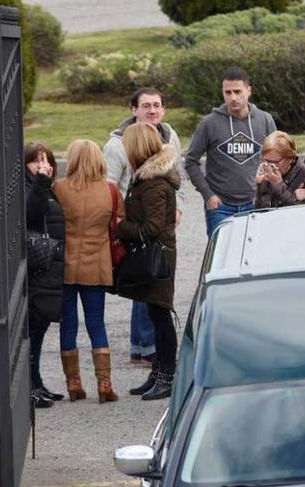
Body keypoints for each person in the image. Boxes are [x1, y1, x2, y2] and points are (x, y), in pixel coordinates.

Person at [103, 87, 184, 366]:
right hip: (136, 221)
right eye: (146, 105)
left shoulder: (155, 176)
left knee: (154, 300)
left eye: (157, 105)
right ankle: (145, 350)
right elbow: (110, 186)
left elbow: (153, 224)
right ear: (133, 110)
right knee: (144, 292)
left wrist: (119, 226)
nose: (152, 110)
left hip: (145, 232)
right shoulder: (117, 145)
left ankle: (161, 367)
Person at [52, 140, 122, 403]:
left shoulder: (59, 188)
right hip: (97, 262)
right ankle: (104, 384)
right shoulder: (110, 190)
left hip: (67, 263)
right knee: (96, 323)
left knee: (68, 323)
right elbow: (117, 222)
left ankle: (74, 384)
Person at [117, 122, 180, 401]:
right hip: (154, 255)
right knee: (156, 315)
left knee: (161, 314)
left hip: (159, 257)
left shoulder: (154, 183)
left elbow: (152, 228)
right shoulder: (144, 178)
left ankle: (168, 375)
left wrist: (120, 226)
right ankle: (158, 372)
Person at [184, 66, 277, 236]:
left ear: (248, 91)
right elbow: (190, 161)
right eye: (228, 92)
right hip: (220, 207)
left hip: (255, 203)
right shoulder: (209, 123)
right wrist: (208, 195)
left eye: (237, 91)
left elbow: (276, 158)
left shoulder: (265, 120)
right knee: (222, 258)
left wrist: (267, 193)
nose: (233, 97)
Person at [24, 142, 65, 408]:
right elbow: (30, 213)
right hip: (36, 269)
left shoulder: (46, 186)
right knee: (32, 331)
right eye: (36, 160)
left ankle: (36, 383)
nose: (42, 165)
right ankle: (29, 386)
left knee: (39, 331)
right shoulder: (30, 187)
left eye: (46, 160)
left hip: (49, 268)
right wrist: (41, 181)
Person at [254, 131, 305, 208]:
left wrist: (279, 185)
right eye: (266, 161)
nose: (270, 166)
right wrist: (259, 186)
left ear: (290, 158)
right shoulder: (266, 171)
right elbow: (259, 210)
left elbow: (304, 212)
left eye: (275, 162)